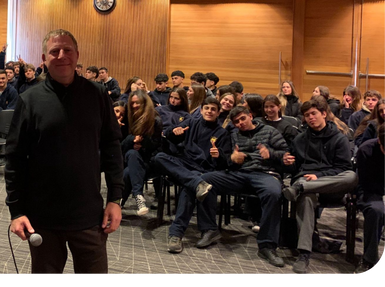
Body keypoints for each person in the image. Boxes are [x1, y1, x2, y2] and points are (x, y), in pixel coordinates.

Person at [5, 29, 124, 277]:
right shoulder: (29, 99)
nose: (61, 56)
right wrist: (16, 211)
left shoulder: (98, 94)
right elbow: (15, 159)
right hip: (43, 216)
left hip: (89, 214)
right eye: (54, 51)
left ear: (77, 55)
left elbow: (112, 146)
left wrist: (115, 198)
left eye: (67, 50)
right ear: (44, 58)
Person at [198, 106, 289, 267]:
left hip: (265, 174)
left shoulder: (269, 131)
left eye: (242, 119)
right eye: (236, 122)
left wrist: (271, 154)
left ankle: (267, 245)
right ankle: (209, 230)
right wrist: (231, 158)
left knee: (273, 193)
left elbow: (286, 155)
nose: (240, 123)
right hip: (239, 174)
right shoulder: (233, 135)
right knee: (205, 180)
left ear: (250, 116)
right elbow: (226, 159)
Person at [281, 97, 358, 274]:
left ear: (324, 114)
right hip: (306, 182)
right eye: (307, 115)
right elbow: (295, 169)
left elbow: (343, 168)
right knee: (306, 197)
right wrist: (287, 161)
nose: (310, 118)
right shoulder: (300, 139)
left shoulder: (339, 138)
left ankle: (300, 188)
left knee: (351, 176)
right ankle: (304, 253)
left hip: (331, 186)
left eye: (314, 114)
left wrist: (319, 176)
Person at [154, 97, 232, 253]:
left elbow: (225, 163)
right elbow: (169, 134)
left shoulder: (222, 133)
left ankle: (176, 233)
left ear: (218, 113)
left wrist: (219, 156)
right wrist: (174, 132)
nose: (209, 111)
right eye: (207, 108)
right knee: (159, 157)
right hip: (185, 164)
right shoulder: (191, 122)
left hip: (204, 170)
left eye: (213, 109)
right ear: (201, 110)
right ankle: (197, 185)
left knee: (189, 187)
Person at [121, 89, 163, 216]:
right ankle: (138, 196)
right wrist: (132, 139)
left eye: (137, 103)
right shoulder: (127, 119)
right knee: (131, 155)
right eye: (132, 103)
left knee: (128, 172)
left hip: (147, 162)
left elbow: (157, 147)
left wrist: (142, 143)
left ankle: (118, 202)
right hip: (128, 159)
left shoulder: (155, 120)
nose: (134, 106)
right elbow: (120, 146)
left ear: (145, 103)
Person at [354, 123, 384, 276]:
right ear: (379, 141)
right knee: (376, 210)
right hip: (370, 190)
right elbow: (366, 183)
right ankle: (369, 259)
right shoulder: (366, 150)